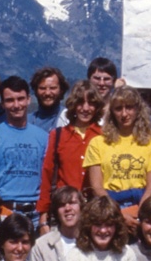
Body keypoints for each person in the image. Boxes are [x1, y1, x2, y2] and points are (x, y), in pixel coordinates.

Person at [0, 76, 50, 226]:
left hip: (35, 215)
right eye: (10, 100)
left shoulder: (43, 137)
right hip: (4, 213)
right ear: (2, 103)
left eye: (20, 99)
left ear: (29, 100)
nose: (16, 105)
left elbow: (48, 180)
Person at [85, 86, 151, 225]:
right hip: (108, 208)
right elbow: (97, 187)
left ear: (138, 109)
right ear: (112, 112)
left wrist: (138, 215)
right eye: (118, 108)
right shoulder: (97, 143)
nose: (124, 114)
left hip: (142, 206)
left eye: (129, 107)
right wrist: (118, 215)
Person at [36, 81, 104, 219]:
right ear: (73, 105)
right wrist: (43, 214)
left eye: (91, 103)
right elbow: (47, 175)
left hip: (96, 209)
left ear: (97, 107)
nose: (85, 108)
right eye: (80, 103)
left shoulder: (104, 136)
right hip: (65, 209)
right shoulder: (59, 135)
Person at [30, 186, 83, 261]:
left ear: (81, 207)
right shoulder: (42, 246)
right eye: (62, 205)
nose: (68, 208)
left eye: (72, 203)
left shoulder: (92, 244)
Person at [29, 66, 70, 131]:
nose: (47, 93)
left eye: (52, 88)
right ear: (35, 91)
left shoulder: (68, 119)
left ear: (61, 90)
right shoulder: (27, 121)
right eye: (42, 88)